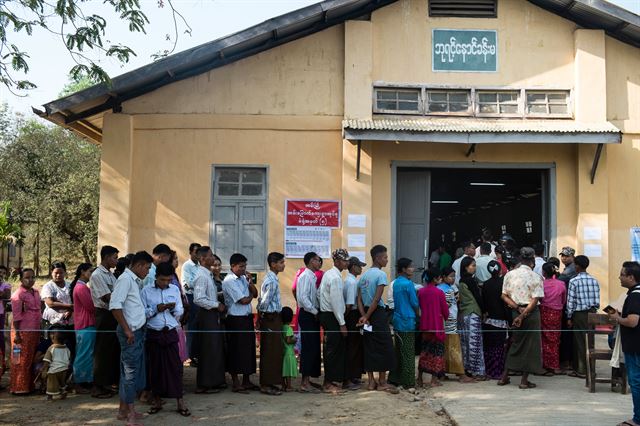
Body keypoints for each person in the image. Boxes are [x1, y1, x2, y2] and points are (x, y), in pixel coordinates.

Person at [141, 262, 190, 417]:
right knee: (155, 369)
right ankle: (156, 400)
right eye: (162, 280)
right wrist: (157, 309)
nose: (165, 283)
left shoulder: (174, 289)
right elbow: (142, 313)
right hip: (154, 333)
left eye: (168, 280)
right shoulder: (146, 291)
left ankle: (180, 402)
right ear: (156, 277)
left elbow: (180, 310)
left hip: (170, 332)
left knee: (175, 368)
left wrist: (173, 309)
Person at [109, 251, 153, 425]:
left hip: (137, 331)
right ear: (139, 265)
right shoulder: (125, 280)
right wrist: (127, 330)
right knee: (130, 374)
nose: (148, 272)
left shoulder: (133, 280)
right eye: (147, 268)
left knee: (127, 372)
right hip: (131, 333)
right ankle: (131, 415)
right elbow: (115, 306)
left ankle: (123, 410)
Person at [499, 247, 545, 389]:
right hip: (531, 313)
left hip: (515, 311)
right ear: (532, 261)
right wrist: (523, 314)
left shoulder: (510, 274)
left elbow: (503, 295)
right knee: (531, 346)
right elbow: (535, 299)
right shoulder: (536, 277)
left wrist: (518, 310)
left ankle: (504, 376)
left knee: (515, 343)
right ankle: (524, 381)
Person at [357, 245, 398, 394]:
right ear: (377, 258)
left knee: (369, 345)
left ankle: (371, 382)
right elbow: (376, 299)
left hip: (366, 314)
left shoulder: (364, 276)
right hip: (378, 314)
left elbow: (359, 300)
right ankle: (381, 382)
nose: (387, 260)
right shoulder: (380, 275)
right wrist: (367, 317)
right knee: (384, 346)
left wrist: (363, 317)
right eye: (385, 257)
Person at [608, 261, 640, 426]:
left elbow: (633, 321)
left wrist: (617, 318)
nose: (619, 277)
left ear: (631, 277)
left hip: (635, 346)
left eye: (622, 274)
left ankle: (637, 419)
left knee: (635, 381)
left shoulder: (635, 295)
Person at [222, 253, 258, 393]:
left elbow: (254, 294)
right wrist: (249, 296)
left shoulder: (244, 278)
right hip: (235, 319)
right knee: (236, 350)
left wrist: (250, 282)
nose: (244, 269)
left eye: (245, 266)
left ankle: (247, 380)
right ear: (232, 266)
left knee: (248, 350)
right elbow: (243, 300)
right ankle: (236, 382)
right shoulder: (229, 281)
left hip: (246, 317)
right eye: (241, 266)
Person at [192, 246, 226, 393]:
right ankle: (205, 384)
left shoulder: (208, 275)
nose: (213, 258)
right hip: (207, 315)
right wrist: (216, 304)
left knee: (214, 348)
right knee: (207, 349)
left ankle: (215, 380)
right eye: (211, 256)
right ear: (203, 258)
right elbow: (198, 299)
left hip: (212, 315)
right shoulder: (201, 276)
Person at [89, 245, 120, 398]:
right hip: (104, 314)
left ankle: (108, 382)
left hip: (113, 314)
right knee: (102, 351)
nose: (116, 260)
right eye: (115, 257)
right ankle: (97, 386)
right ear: (107, 257)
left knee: (111, 350)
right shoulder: (97, 275)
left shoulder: (111, 275)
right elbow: (106, 297)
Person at [319, 248, 351, 393]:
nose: (347, 262)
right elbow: (337, 302)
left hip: (327, 315)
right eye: (344, 260)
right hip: (332, 316)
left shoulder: (329, 274)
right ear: (337, 261)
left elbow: (320, 294)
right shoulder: (336, 278)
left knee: (331, 349)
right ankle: (328, 382)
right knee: (332, 349)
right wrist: (342, 323)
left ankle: (332, 380)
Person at [566, 255, 600, 378]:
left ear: (577, 266)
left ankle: (581, 370)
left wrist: (569, 317)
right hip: (592, 313)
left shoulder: (574, 281)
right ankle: (590, 369)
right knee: (590, 341)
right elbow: (597, 301)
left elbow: (571, 301)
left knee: (579, 341)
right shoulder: (594, 280)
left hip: (579, 314)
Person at [257, 252, 286, 396]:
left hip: (274, 318)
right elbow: (265, 302)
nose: (283, 265)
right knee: (270, 352)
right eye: (281, 262)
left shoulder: (272, 278)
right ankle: (266, 384)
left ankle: (272, 381)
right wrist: (262, 315)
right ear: (273, 264)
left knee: (274, 351)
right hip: (270, 318)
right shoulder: (272, 281)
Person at [436, 267, 472, 382]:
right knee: (455, 348)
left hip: (445, 322)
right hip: (450, 321)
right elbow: (445, 306)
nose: (452, 279)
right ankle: (461, 374)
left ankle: (441, 372)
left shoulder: (441, 288)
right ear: (443, 277)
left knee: (445, 348)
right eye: (450, 276)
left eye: (454, 276)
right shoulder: (447, 290)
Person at [388, 258, 419, 389]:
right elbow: (414, 303)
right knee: (408, 351)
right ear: (404, 269)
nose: (413, 269)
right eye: (411, 267)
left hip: (397, 319)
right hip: (408, 320)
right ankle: (408, 381)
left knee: (398, 350)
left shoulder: (395, 284)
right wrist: (418, 314)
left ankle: (395, 378)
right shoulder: (408, 284)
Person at [10, 268, 41, 394]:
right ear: (21, 279)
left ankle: (29, 386)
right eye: (27, 277)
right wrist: (17, 333)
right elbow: (16, 316)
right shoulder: (18, 295)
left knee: (31, 359)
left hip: (34, 331)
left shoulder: (36, 292)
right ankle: (19, 387)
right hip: (22, 332)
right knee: (20, 360)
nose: (30, 280)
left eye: (33, 277)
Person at [417, 266, 449, 388]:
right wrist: (445, 317)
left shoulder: (421, 292)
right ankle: (433, 380)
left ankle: (419, 378)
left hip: (425, 326)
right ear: (435, 278)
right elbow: (445, 311)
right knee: (437, 353)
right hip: (437, 326)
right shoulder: (439, 292)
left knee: (424, 352)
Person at [295, 251, 322, 393]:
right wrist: (315, 311)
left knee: (313, 348)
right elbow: (303, 298)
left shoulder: (312, 276)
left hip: (312, 314)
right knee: (308, 348)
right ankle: (304, 383)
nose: (319, 263)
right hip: (308, 314)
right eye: (318, 260)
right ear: (311, 261)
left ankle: (308, 379)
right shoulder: (305, 276)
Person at [481, 261, 510, 380]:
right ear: (500, 270)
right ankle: (498, 371)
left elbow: (483, 301)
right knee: (499, 347)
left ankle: (489, 370)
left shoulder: (485, 284)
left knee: (489, 346)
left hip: (488, 320)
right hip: (501, 320)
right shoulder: (503, 284)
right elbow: (505, 303)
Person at [458, 256, 486, 380]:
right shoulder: (470, 280)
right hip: (473, 312)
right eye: (473, 265)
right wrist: (485, 310)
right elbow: (478, 298)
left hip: (464, 314)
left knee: (465, 343)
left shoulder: (461, 280)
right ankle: (477, 371)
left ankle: (467, 368)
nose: (475, 267)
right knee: (475, 342)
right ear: (466, 267)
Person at [41, 262, 74, 361]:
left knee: (69, 346)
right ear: (51, 273)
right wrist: (69, 306)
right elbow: (50, 303)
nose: (58, 275)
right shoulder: (48, 286)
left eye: (61, 272)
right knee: (53, 347)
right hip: (53, 323)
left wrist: (70, 310)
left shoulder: (70, 285)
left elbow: (74, 300)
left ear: (65, 272)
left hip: (69, 321)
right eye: (56, 273)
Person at [71, 263, 96, 394]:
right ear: (82, 272)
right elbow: (91, 307)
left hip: (86, 324)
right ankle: (78, 382)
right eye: (90, 271)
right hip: (85, 324)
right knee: (84, 354)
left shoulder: (82, 287)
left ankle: (85, 381)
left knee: (87, 354)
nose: (92, 274)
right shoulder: (81, 288)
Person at [540, 262, 566, 375]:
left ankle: (545, 365)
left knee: (544, 338)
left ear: (544, 273)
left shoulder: (541, 284)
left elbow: (539, 299)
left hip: (544, 311)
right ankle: (554, 365)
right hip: (557, 313)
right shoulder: (561, 284)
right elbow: (563, 300)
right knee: (555, 339)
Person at [344, 256, 366, 387]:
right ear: (353, 267)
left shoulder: (351, 280)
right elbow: (349, 304)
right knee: (352, 347)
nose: (361, 268)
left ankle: (354, 375)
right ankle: (350, 377)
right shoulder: (351, 283)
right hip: (352, 314)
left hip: (352, 314)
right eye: (359, 266)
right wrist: (346, 319)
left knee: (356, 346)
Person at [180, 242, 201, 366]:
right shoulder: (187, 266)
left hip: (199, 297)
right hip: (190, 297)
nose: (197, 255)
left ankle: (196, 354)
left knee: (198, 327)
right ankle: (189, 356)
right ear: (190, 252)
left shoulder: (200, 266)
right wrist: (200, 283)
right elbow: (188, 283)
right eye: (195, 252)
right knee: (191, 328)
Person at [557, 246, 577, 370]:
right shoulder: (568, 269)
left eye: (566, 256)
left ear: (572, 256)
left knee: (567, 335)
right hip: (568, 304)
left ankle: (568, 361)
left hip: (569, 305)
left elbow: (560, 281)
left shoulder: (570, 270)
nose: (563, 258)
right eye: (562, 255)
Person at [42, 327, 71, 401]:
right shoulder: (66, 348)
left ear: (53, 338)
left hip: (54, 370)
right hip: (64, 369)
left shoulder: (51, 348)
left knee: (51, 384)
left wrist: (44, 370)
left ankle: (49, 397)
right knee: (62, 382)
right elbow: (69, 358)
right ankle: (63, 391)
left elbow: (47, 360)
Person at [281, 307, 297, 392]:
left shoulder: (281, 327)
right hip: (289, 352)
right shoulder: (289, 328)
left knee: (283, 369)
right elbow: (288, 340)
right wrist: (294, 339)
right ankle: (289, 386)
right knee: (288, 370)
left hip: (283, 351)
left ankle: (283, 385)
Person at [0, 265, 11, 373]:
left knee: (1, 339)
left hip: (1, 313)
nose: (1, 274)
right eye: (0, 272)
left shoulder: (6, 285)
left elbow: (6, 296)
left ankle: (2, 364)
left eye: (3, 273)